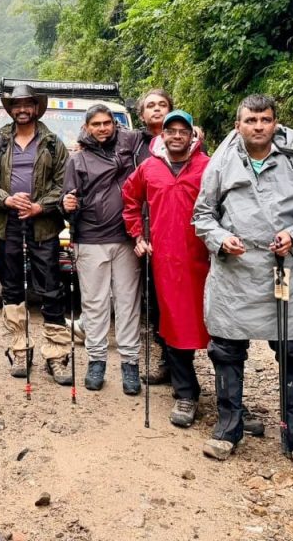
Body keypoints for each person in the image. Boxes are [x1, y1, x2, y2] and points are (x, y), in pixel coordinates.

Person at [192, 95, 293, 473]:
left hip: (281, 268)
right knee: (226, 350)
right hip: (234, 271)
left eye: (265, 120)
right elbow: (203, 215)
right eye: (251, 120)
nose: (258, 126)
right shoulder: (222, 161)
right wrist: (221, 238)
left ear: (275, 123)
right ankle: (228, 428)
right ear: (238, 125)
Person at [0, 83, 73, 384]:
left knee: (51, 287)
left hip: (43, 224)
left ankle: (57, 354)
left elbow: (63, 185)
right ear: (11, 110)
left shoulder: (53, 144)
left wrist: (39, 207)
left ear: (36, 108)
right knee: (11, 288)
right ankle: (20, 348)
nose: (22, 109)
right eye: (16, 105)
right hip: (8, 223)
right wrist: (6, 200)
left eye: (27, 104)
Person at [122, 109, 211, 427]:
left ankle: (232, 400)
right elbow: (129, 199)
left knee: (219, 328)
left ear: (192, 135)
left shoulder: (208, 166)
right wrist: (138, 234)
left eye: (182, 131)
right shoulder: (149, 167)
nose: (176, 136)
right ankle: (186, 393)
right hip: (166, 260)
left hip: (208, 259)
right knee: (173, 323)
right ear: (162, 135)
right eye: (170, 131)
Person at [63, 104, 142, 394]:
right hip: (90, 238)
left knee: (128, 302)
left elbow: (156, 134)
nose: (102, 128)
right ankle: (96, 361)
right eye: (96, 124)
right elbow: (67, 198)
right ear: (87, 127)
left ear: (114, 124)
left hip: (126, 238)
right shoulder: (77, 159)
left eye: (107, 123)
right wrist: (66, 204)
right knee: (94, 304)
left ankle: (130, 363)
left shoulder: (129, 149)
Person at [134, 88, 174, 386]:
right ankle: (166, 359)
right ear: (141, 114)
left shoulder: (187, 139)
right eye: (150, 106)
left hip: (177, 232)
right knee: (154, 299)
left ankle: (182, 360)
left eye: (162, 105)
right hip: (146, 233)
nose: (157, 109)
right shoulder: (135, 144)